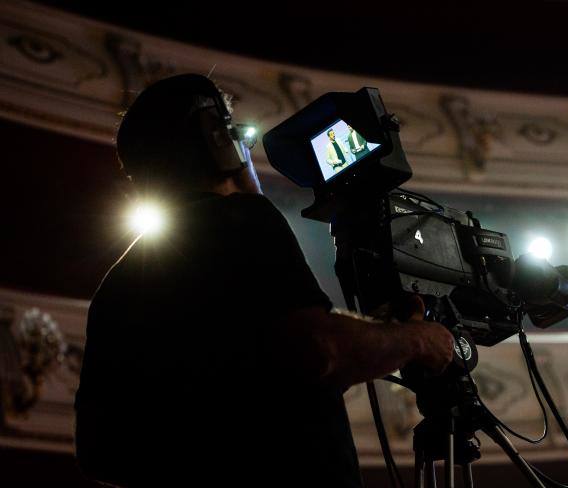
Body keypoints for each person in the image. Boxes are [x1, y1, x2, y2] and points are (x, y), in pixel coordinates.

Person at [73, 74, 453, 487]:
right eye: (239, 137)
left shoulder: (116, 289)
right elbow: (318, 350)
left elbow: (100, 454)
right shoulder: (240, 217)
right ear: (221, 142)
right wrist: (418, 339)